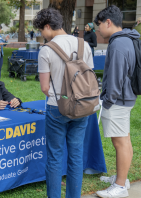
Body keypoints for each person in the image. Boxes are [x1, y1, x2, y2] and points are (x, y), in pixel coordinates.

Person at [33, 8, 94, 198]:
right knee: (76, 156)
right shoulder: (85, 45)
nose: (41, 35)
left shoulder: (46, 50)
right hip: (82, 106)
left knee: (54, 156)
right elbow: (89, 79)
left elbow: (44, 87)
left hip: (57, 106)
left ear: (48, 26)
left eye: (41, 30)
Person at [94, 5, 139, 197]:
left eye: (98, 26)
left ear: (108, 22)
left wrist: (106, 101)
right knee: (125, 139)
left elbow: (116, 77)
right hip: (125, 97)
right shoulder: (127, 39)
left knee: (120, 142)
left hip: (117, 100)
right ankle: (123, 178)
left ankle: (120, 186)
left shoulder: (118, 44)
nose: (97, 30)